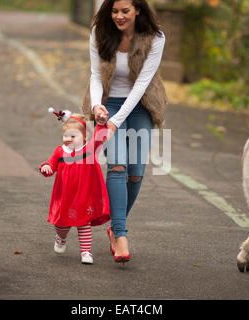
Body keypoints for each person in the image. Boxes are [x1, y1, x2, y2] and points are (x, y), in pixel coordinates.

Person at [82, 0, 168, 264]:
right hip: (109, 103)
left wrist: (116, 121)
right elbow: (96, 75)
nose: (119, 16)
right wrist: (97, 106)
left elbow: (142, 84)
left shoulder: (155, 37)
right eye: (115, 11)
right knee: (117, 166)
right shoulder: (100, 32)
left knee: (136, 173)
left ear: (138, 10)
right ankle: (120, 234)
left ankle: (114, 225)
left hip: (141, 104)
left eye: (125, 11)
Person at [39, 109, 110, 264]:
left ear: (84, 137)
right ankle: (61, 237)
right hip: (64, 196)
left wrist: (102, 124)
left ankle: (86, 252)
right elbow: (51, 163)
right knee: (61, 224)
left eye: (73, 136)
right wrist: (47, 167)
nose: (68, 139)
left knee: (83, 223)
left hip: (83, 196)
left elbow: (100, 137)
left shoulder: (89, 150)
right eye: (65, 136)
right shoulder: (60, 151)